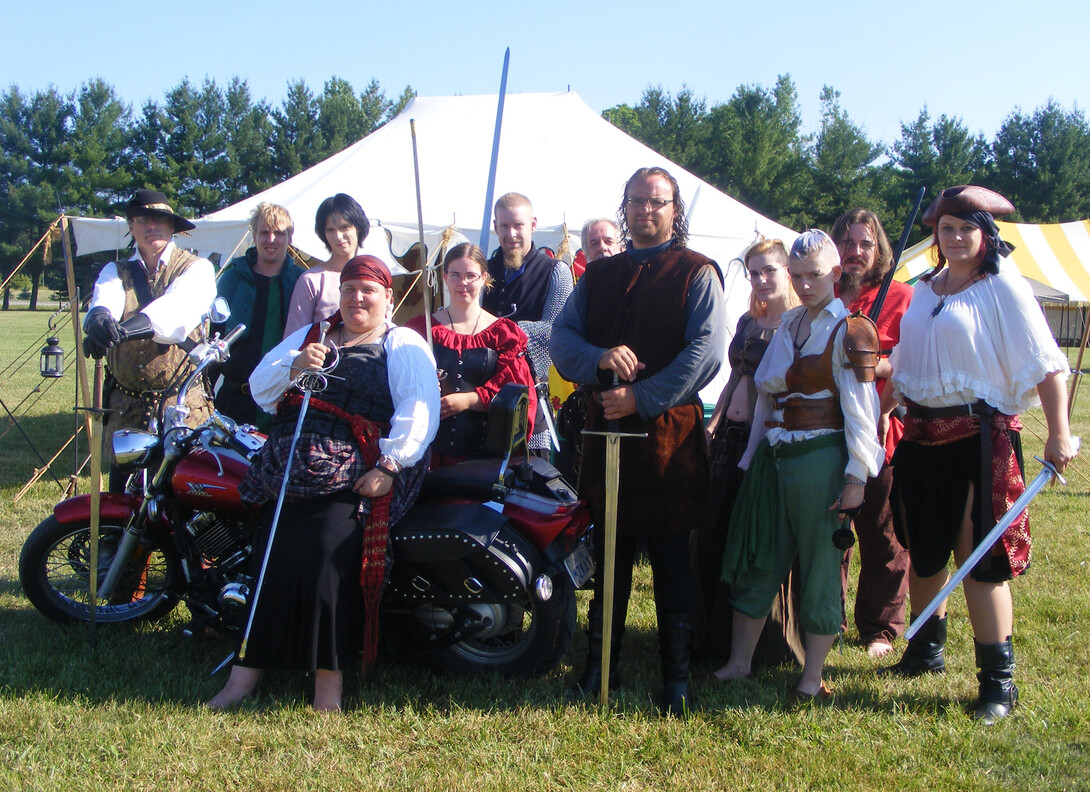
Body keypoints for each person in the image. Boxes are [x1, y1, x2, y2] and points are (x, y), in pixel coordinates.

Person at [207, 255, 439, 712]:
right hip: (291, 465)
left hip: (357, 468)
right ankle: (242, 681)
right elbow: (260, 389)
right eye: (349, 289)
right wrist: (295, 366)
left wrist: (390, 466)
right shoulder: (313, 336)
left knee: (329, 559)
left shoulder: (402, 342)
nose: (357, 299)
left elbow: (419, 407)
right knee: (271, 558)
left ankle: (327, 691)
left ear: (388, 298)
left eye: (368, 291)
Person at [880, 185, 1076, 725]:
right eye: (946, 228)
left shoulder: (1001, 289)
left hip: (978, 438)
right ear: (936, 235)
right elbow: (907, 364)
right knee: (923, 549)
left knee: (979, 561)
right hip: (919, 435)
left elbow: (1047, 364)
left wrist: (1058, 434)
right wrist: (880, 394)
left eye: (967, 228)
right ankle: (925, 652)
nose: (956, 237)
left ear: (986, 235)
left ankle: (998, 684)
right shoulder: (923, 290)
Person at [551, 166, 725, 717]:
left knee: (672, 555)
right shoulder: (598, 276)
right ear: (624, 208)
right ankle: (600, 667)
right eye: (637, 202)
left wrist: (642, 397)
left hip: (668, 439)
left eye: (658, 202)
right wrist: (600, 361)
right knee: (611, 553)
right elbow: (561, 339)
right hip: (605, 432)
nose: (647, 210)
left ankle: (676, 678)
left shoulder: (697, 272)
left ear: (676, 210)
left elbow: (706, 354)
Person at [713, 229, 883, 705]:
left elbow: (862, 413)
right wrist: (753, 456)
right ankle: (739, 663)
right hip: (776, 456)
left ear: (834, 273)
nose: (806, 285)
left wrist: (855, 477)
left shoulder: (850, 329)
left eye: (815, 275)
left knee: (820, 565)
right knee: (759, 557)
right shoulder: (788, 324)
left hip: (823, 458)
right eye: (799, 276)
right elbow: (767, 390)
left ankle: (811, 676)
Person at [697, 238, 804, 671]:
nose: (760, 280)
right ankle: (713, 636)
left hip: (766, 445)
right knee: (715, 534)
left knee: (755, 540)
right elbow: (734, 379)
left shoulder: (799, 326)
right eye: (753, 272)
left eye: (769, 271)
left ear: (787, 273)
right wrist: (714, 422)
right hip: (730, 438)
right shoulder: (747, 321)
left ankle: (764, 647)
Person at [82, 189, 217, 490]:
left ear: (172, 227)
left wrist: (121, 331)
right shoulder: (114, 271)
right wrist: (99, 323)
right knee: (123, 507)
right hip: (126, 410)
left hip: (182, 409)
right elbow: (105, 300)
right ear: (131, 226)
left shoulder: (197, 268)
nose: (151, 226)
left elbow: (175, 315)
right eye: (142, 219)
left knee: (179, 500)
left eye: (159, 219)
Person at [830, 208, 913, 658]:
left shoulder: (902, 297)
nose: (856, 252)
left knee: (882, 533)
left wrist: (877, 380)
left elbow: (909, 364)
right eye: (847, 242)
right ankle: (829, 617)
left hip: (883, 431)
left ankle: (880, 627)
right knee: (830, 529)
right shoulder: (825, 295)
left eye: (865, 243)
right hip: (827, 430)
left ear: (878, 249)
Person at [405, 242, 536, 463]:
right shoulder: (420, 330)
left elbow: (519, 396)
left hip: (485, 458)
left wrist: (470, 400)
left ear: (484, 278)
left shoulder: (504, 335)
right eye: (455, 275)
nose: (463, 283)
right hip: (426, 455)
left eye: (470, 275)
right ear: (445, 278)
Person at [481, 192, 574, 453]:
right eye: (504, 226)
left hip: (529, 395)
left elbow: (556, 331)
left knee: (530, 484)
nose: (511, 234)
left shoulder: (555, 272)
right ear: (495, 227)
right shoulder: (481, 272)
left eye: (518, 225)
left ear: (532, 225)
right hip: (483, 398)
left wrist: (505, 332)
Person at [215, 203, 305, 431]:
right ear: (254, 236)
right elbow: (213, 338)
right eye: (264, 232)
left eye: (279, 233)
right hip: (235, 399)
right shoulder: (232, 279)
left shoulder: (300, 282)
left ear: (290, 237)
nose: (271, 239)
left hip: (283, 401)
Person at [283, 193, 369, 337]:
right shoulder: (312, 280)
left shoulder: (374, 277)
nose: (338, 236)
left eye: (344, 227)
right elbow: (293, 341)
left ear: (358, 228)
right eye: (330, 230)